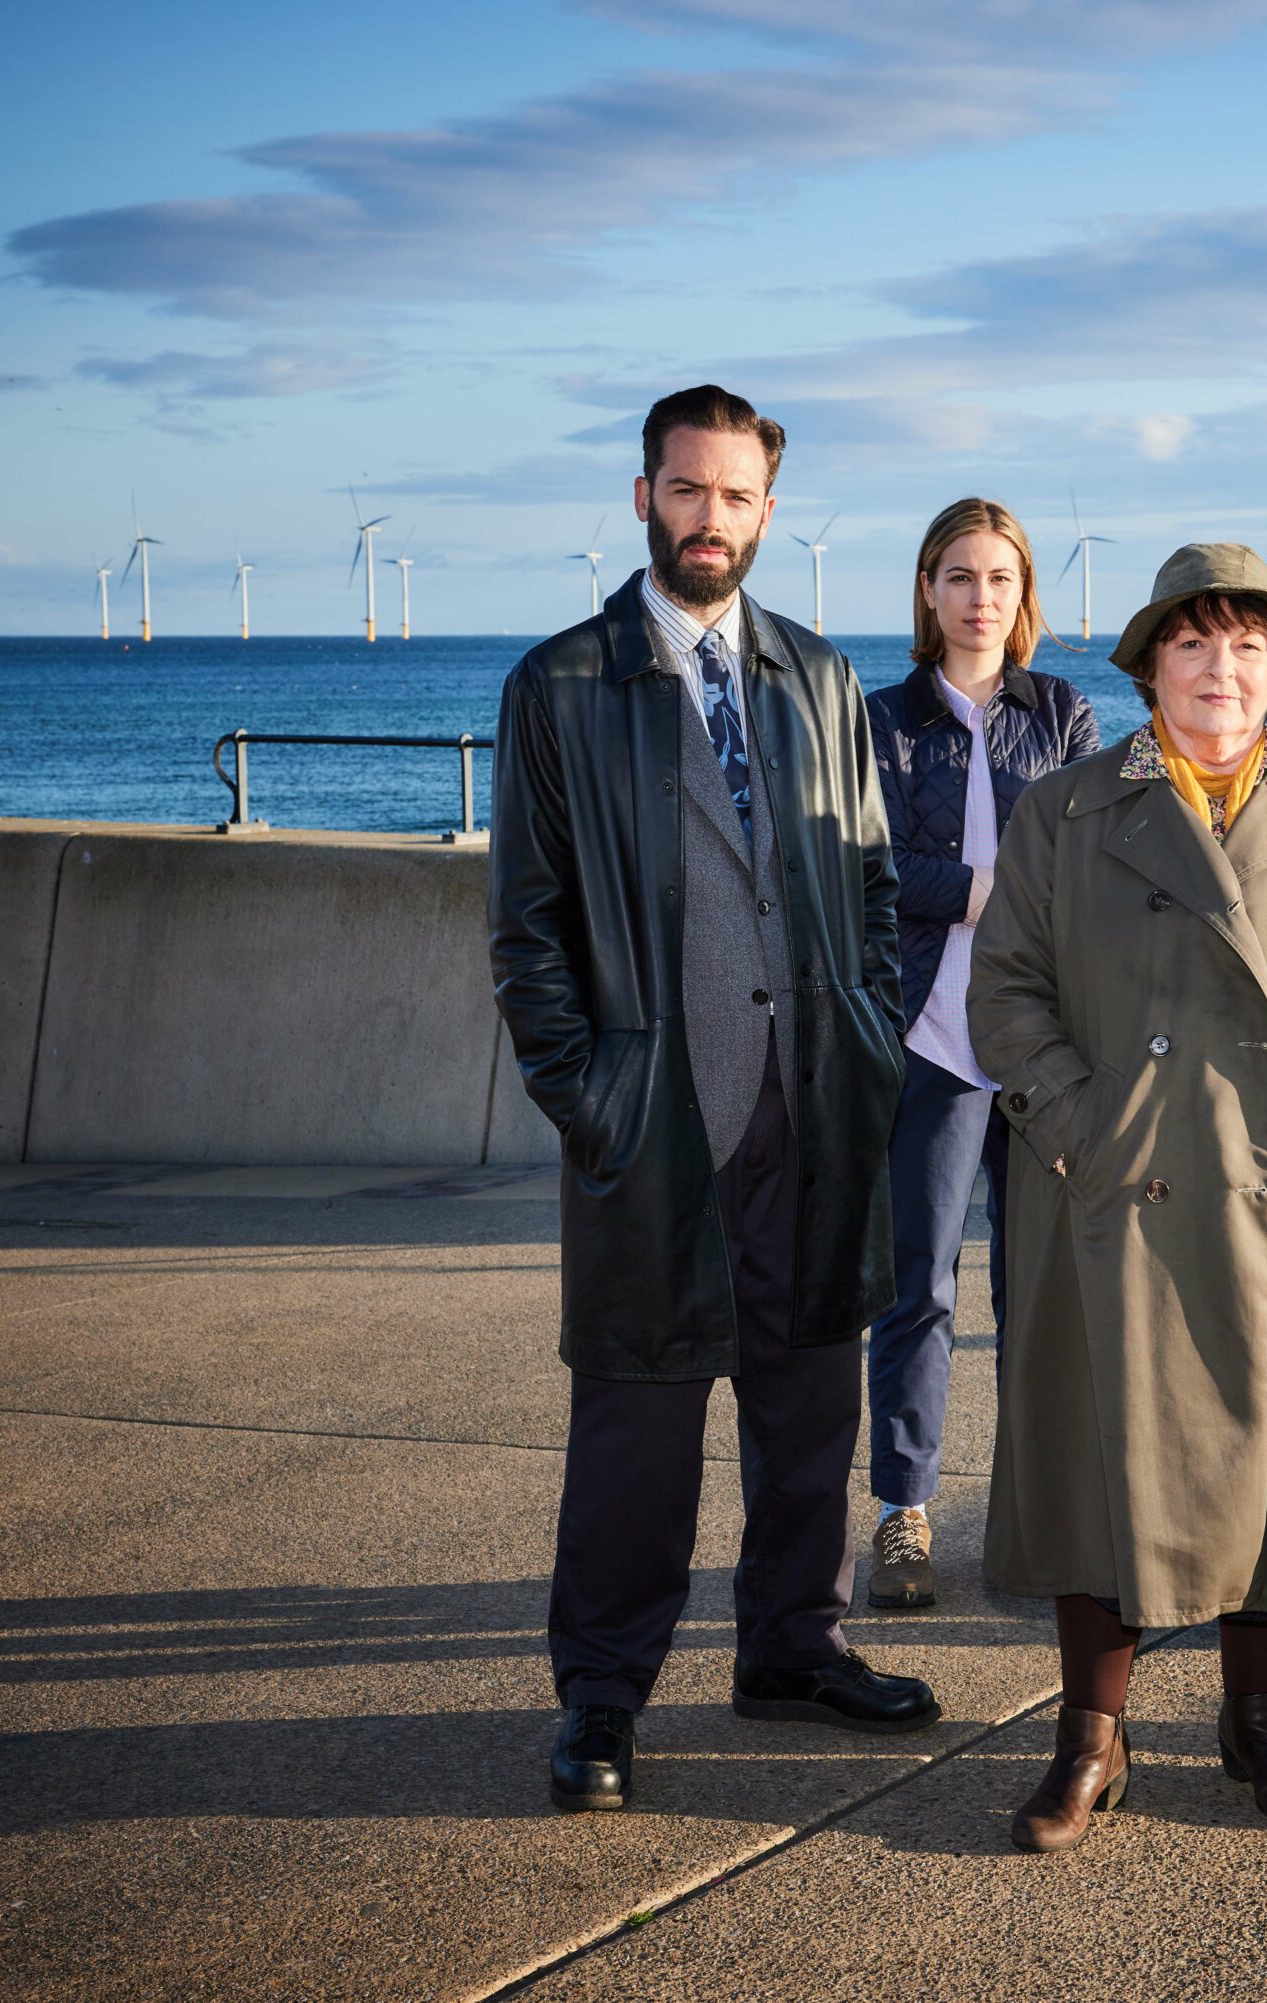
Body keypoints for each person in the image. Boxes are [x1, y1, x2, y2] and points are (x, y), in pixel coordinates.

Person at [489, 383, 939, 1816]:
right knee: (638, 1425)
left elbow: (867, 882)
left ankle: (795, 1648)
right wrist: (595, 1095)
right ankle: (603, 1696)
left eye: (737, 495)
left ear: (765, 508)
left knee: (809, 1401)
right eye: (687, 489)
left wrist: (866, 1039)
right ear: (643, 498)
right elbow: (529, 927)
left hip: (809, 1108)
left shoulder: (816, 675)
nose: (711, 517)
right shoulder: (562, 684)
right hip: (656, 1117)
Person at [970, 543, 1267, 1851]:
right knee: (1096, 1456)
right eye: (1194, 644)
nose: (1221, 669)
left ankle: (1261, 1721)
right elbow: (1005, 993)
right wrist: (1085, 1127)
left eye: (1247, 646)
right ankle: (1090, 1735)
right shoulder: (1065, 811)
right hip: (1124, 1185)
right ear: (1148, 667)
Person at [860, 500, 1100, 1609]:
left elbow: (1098, 861)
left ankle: (1039, 1510)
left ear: (1023, 592)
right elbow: (867, 866)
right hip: (930, 1040)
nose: (979, 596)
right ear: (926, 589)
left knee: (1038, 1292)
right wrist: (988, 891)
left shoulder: (1063, 714)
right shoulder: (882, 721)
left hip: (1043, 1047)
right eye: (957, 575)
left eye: (999, 577)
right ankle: (903, 1512)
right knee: (921, 1289)